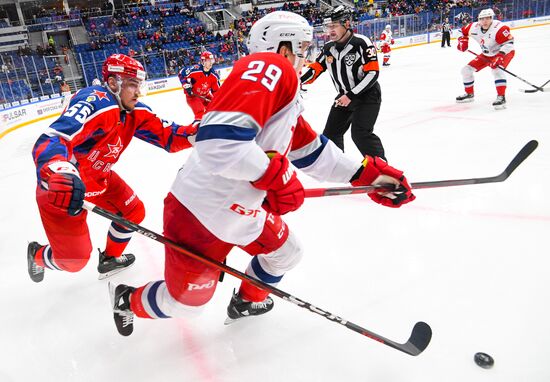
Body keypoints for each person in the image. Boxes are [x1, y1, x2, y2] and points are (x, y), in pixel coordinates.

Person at [108, 11, 415, 337]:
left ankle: (246, 301)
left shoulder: (281, 90)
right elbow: (218, 142)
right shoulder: (274, 67)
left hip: (242, 212)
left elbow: (312, 152)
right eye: (302, 48)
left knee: (286, 253)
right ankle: (128, 299)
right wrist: (276, 176)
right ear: (283, 48)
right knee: (186, 304)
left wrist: (367, 176)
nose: (305, 57)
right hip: (200, 214)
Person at [28, 54, 197, 283]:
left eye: (139, 85)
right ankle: (38, 255)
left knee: (133, 212)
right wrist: (58, 169)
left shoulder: (134, 111)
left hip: (99, 177)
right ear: (113, 82)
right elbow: (53, 138)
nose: (138, 92)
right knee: (73, 261)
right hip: (65, 188)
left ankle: (110, 258)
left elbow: (168, 136)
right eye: (131, 85)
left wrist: (201, 133)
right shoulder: (95, 101)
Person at [301, 6, 386, 160]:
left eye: (334, 26)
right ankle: (338, 166)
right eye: (328, 26)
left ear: (346, 24)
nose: (330, 30)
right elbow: (316, 69)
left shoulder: (361, 43)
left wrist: (350, 95)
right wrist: (296, 82)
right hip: (345, 96)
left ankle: (383, 171)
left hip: (367, 96)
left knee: (360, 134)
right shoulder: (329, 48)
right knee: (331, 134)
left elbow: (373, 73)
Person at [455, 8, 515, 109]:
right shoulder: (474, 27)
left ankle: (501, 97)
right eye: (482, 19)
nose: (485, 21)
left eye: (488, 18)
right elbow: (461, 31)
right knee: (466, 70)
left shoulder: (500, 28)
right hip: (486, 54)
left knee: (496, 70)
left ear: (492, 18)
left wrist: (500, 56)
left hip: (504, 52)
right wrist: (462, 40)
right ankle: (469, 94)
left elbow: (509, 44)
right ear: (479, 19)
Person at [178, 50, 220, 125]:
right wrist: (185, 84)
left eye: (211, 60)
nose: (210, 63)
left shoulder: (214, 75)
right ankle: (197, 130)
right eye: (208, 60)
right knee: (200, 113)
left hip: (205, 96)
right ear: (203, 62)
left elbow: (216, 91)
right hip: (193, 96)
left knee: (216, 109)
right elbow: (181, 73)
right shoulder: (195, 70)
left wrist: (219, 100)